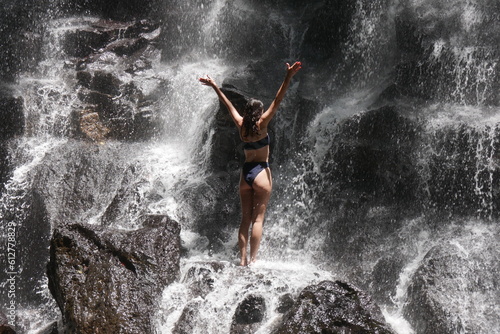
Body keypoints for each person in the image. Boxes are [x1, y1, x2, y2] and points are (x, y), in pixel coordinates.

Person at [199, 61, 302, 266]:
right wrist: (288, 77)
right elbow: (278, 99)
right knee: (258, 219)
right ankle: (254, 261)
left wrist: (214, 86)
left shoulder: (241, 126)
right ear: (259, 112)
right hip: (261, 172)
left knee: (245, 219)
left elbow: (229, 106)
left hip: (245, 174)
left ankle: (242, 260)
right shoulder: (262, 124)